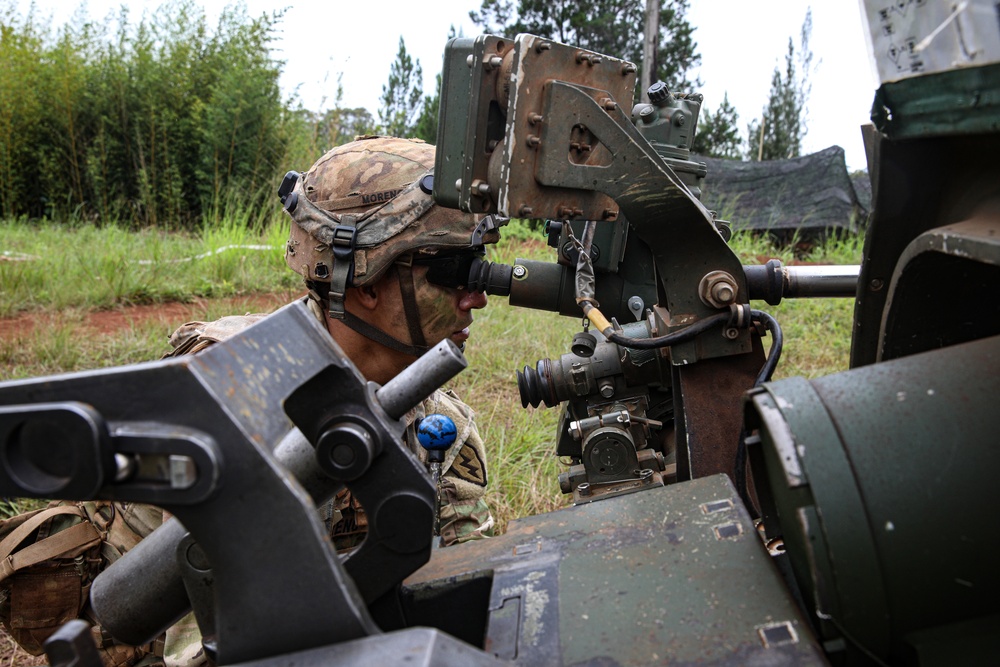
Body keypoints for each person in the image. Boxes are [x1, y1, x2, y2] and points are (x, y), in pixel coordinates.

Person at [0, 136, 500, 667]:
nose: (478, 296)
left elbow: (462, 591)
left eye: (479, 268)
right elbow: (168, 633)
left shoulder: (445, 426)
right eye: (452, 272)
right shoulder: (223, 397)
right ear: (366, 279)